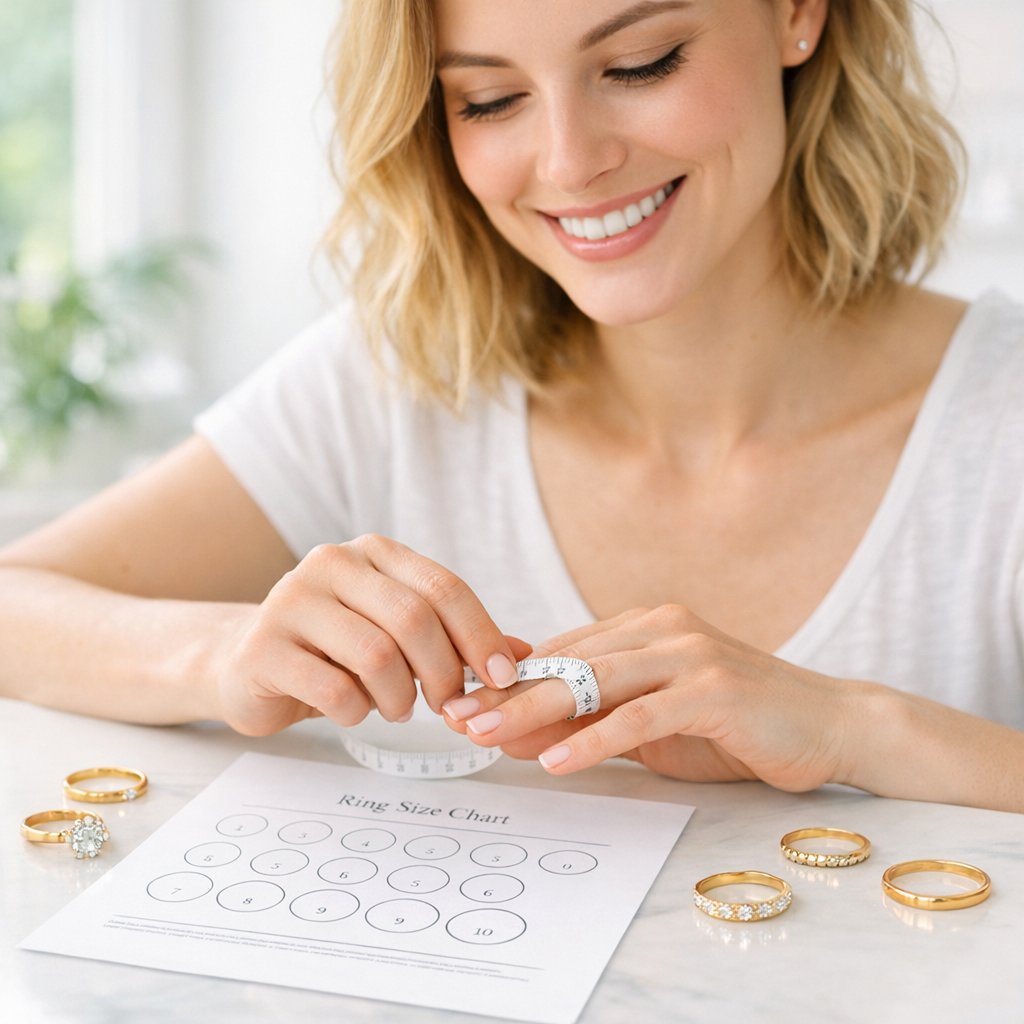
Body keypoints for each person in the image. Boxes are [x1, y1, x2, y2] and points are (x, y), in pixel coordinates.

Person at [1, 0, 1022, 813]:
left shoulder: (998, 416)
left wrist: (854, 727)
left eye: (641, 62)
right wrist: (227, 653)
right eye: (488, 100)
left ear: (800, 12)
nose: (571, 162)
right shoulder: (400, 375)